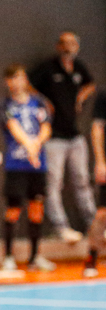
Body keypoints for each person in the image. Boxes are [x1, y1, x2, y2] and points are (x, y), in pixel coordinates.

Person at [29, 32, 97, 243]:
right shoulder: (48, 67)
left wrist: (80, 97)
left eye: (73, 44)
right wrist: (43, 101)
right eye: (65, 44)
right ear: (59, 46)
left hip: (75, 135)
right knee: (53, 184)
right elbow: (28, 83)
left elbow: (90, 84)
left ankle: (95, 226)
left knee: (82, 181)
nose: (69, 48)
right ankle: (61, 227)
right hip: (54, 137)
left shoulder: (78, 68)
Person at [0, 64, 55, 272]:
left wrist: (36, 146)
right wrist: (30, 148)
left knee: (36, 210)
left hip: (37, 167)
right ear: (7, 82)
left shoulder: (39, 103)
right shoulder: (4, 105)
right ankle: (9, 256)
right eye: (12, 78)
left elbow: (46, 127)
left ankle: (34, 257)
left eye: (20, 77)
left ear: (25, 80)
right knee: (13, 211)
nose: (16, 82)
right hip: (16, 165)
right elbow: (14, 128)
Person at [86, 91, 106, 277]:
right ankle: (91, 258)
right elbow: (97, 128)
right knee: (102, 213)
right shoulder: (104, 95)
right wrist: (100, 161)